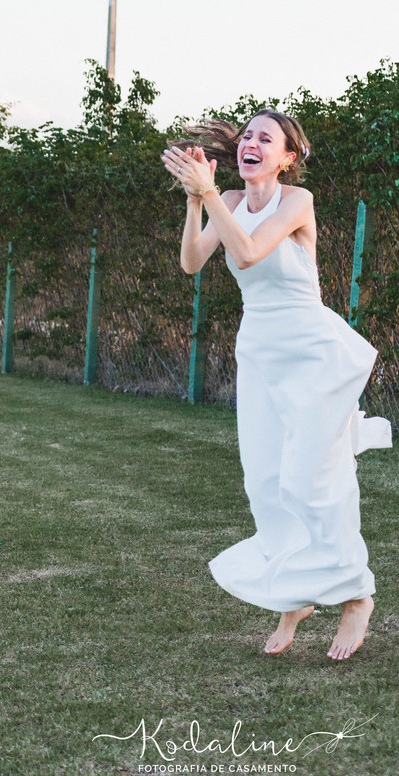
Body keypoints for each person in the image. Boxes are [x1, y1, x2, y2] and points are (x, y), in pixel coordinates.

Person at [162, 108, 391, 660]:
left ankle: (356, 596)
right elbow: (192, 262)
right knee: (266, 483)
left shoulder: (297, 201)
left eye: (266, 138)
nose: (251, 143)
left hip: (310, 352)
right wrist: (195, 201)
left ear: (287, 157)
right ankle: (294, 596)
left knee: (311, 479)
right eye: (247, 135)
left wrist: (210, 193)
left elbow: (247, 252)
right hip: (260, 352)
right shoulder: (228, 200)